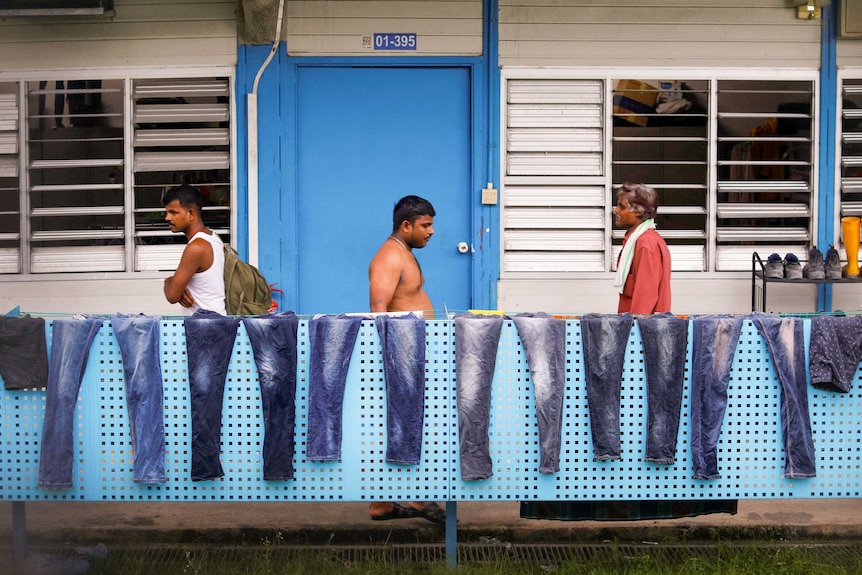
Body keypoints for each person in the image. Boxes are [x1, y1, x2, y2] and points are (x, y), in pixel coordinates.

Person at [366, 195, 445, 525]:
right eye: (426, 225)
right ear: (406, 225)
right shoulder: (388, 257)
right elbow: (378, 309)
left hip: (413, 350)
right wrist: (391, 361)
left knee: (405, 425)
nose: (431, 231)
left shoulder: (403, 253)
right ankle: (416, 497)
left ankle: (383, 505)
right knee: (406, 425)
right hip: (402, 353)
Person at [162, 184, 227, 315]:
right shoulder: (212, 237)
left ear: (191, 214)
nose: (167, 218)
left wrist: (168, 281)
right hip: (215, 322)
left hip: (205, 326)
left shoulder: (196, 247)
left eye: (173, 212)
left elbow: (172, 296)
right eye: (167, 212)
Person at [612, 182, 671, 314]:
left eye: (622, 207)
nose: (616, 210)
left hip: (642, 330)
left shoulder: (646, 244)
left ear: (638, 211)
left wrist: (633, 330)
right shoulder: (638, 241)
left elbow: (645, 298)